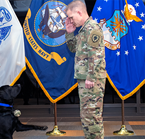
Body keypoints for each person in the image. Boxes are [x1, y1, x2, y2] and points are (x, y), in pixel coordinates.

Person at [65, 1, 106, 139]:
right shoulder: (84, 29)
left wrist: (91, 77)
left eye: (71, 17)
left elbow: (96, 55)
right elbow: (73, 48)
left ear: (79, 12)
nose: (70, 20)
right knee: (87, 117)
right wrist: (70, 33)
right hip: (86, 79)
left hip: (91, 81)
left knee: (92, 117)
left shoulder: (92, 28)